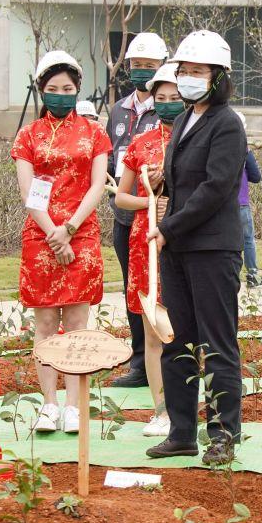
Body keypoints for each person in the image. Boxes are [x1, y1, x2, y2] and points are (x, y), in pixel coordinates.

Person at [145, 30, 247, 466]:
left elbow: (215, 188)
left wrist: (170, 226)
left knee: (217, 344)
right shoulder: (186, 119)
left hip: (211, 249)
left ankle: (224, 434)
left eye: (197, 71)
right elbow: (187, 178)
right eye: (183, 71)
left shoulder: (227, 124)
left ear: (218, 76)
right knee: (177, 342)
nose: (187, 78)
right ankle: (181, 431)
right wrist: (162, 181)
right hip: (179, 250)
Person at [10, 50, 111, 434]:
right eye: (52, 88)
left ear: (77, 90)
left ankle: (74, 404)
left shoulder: (94, 134)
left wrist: (68, 229)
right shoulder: (28, 136)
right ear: (41, 90)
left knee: (77, 320)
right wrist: (53, 233)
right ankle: (49, 404)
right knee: (46, 320)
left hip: (81, 233)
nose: (60, 94)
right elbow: (28, 191)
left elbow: (98, 184)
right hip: (40, 235)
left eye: (67, 88)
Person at [114, 62, 181, 438]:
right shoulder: (140, 144)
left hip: (183, 242)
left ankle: (186, 407)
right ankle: (161, 411)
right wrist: (151, 202)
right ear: (153, 101)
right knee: (153, 330)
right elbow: (122, 197)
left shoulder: (195, 138)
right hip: (145, 241)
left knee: (184, 328)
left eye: (175, 97)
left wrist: (174, 203)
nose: (169, 103)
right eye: (162, 98)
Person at [106, 32, 168, 388]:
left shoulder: (166, 110)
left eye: (149, 66)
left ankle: (165, 361)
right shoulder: (118, 109)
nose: (142, 71)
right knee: (134, 288)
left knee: (163, 290)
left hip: (161, 217)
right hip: (126, 213)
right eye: (136, 65)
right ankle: (140, 361)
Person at [234, 112, 262, 288]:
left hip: (220, 204)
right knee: (247, 240)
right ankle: (252, 275)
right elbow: (256, 176)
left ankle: (231, 276)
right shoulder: (244, 149)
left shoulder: (215, 146)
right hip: (241, 202)